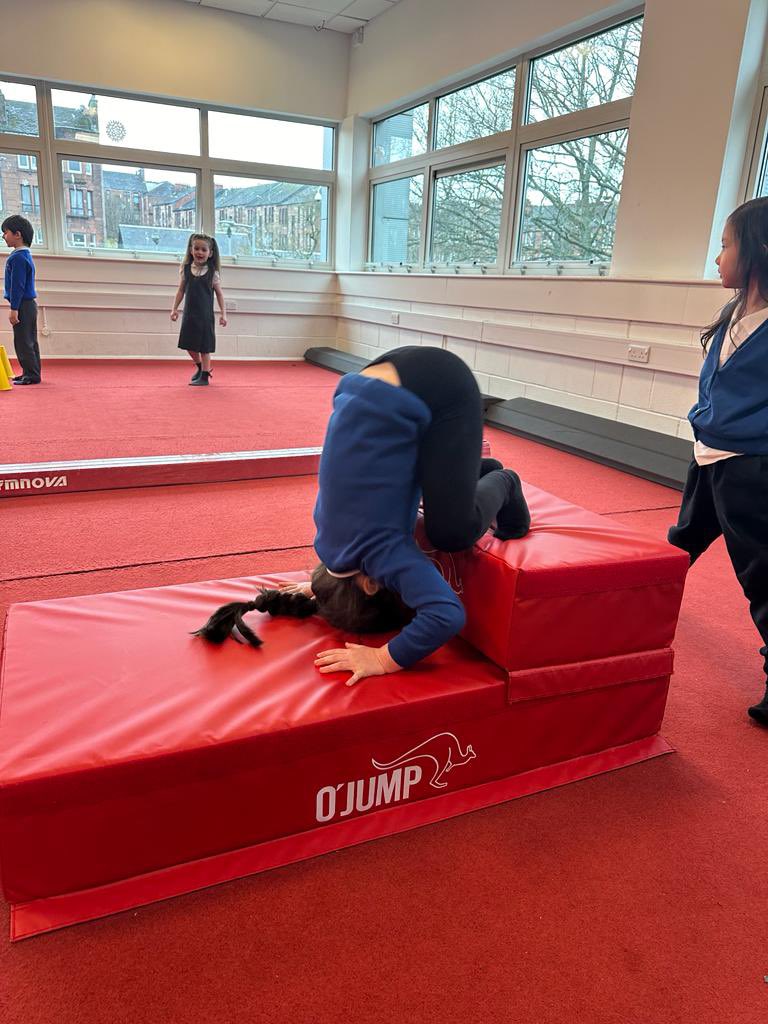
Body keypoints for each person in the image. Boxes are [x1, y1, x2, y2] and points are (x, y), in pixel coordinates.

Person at [196, 346, 531, 685]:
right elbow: (337, 567)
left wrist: (383, 658)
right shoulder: (327, 543)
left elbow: (446, 615)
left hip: (439, 387)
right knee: (410, 486)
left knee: (452, 533)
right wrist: (316, 589)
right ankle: (474, 473)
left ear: (372, 584)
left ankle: (506, 482)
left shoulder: (380, 554)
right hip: (373, 381)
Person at [668, 196, 768, 727]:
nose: (717, 257)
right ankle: (640, 603)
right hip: (709, 453)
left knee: (761, 571)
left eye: (725, 245)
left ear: (757, 252)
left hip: (751, 467)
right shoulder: (735, 312)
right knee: (683, 538)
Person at [170, 233, 226, 386]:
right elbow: (181, 291)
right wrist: (174, 309)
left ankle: (205, 376)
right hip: (189, 315)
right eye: (196, 249)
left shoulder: (212, 273)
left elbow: (220, 294)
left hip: (205, 316)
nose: (200, 252)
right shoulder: (186, 270)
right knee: (188, 344)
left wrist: (223, 314)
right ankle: (201, 366)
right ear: (191, 250)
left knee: (204, 347)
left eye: (204, 250)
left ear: (210, 253)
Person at [2, 214, 40, 385]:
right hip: (29, 304)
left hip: (23, 305)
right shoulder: (24, 255)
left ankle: (31, 375)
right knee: (30, 340)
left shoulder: (17, 257)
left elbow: (18, 286)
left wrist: (14, 308)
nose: (3, 236)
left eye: (6, 232)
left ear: (17, 234)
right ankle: (30, 372)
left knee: (23, 341)